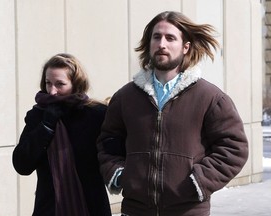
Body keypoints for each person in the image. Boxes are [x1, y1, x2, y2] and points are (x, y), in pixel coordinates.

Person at [97, 11, 248, 216]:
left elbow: (234, 148)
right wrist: (121, 175)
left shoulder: (210, 97)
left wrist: (198, 182)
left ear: (185, 47)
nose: (162, 44)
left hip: (188, 211)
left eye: (170, 38)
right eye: (156, 37)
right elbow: (107, 143)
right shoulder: (125, 97)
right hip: (136, 210)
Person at [13, 53, 112, 216]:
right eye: (48, 83)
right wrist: (46, 126)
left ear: (76, 84)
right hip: (50, 208)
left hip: (90, 207)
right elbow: (22, 164)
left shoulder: (96, 115)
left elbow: (115, 155)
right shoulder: (38, 115)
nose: (52, 91)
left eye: (60, 84)